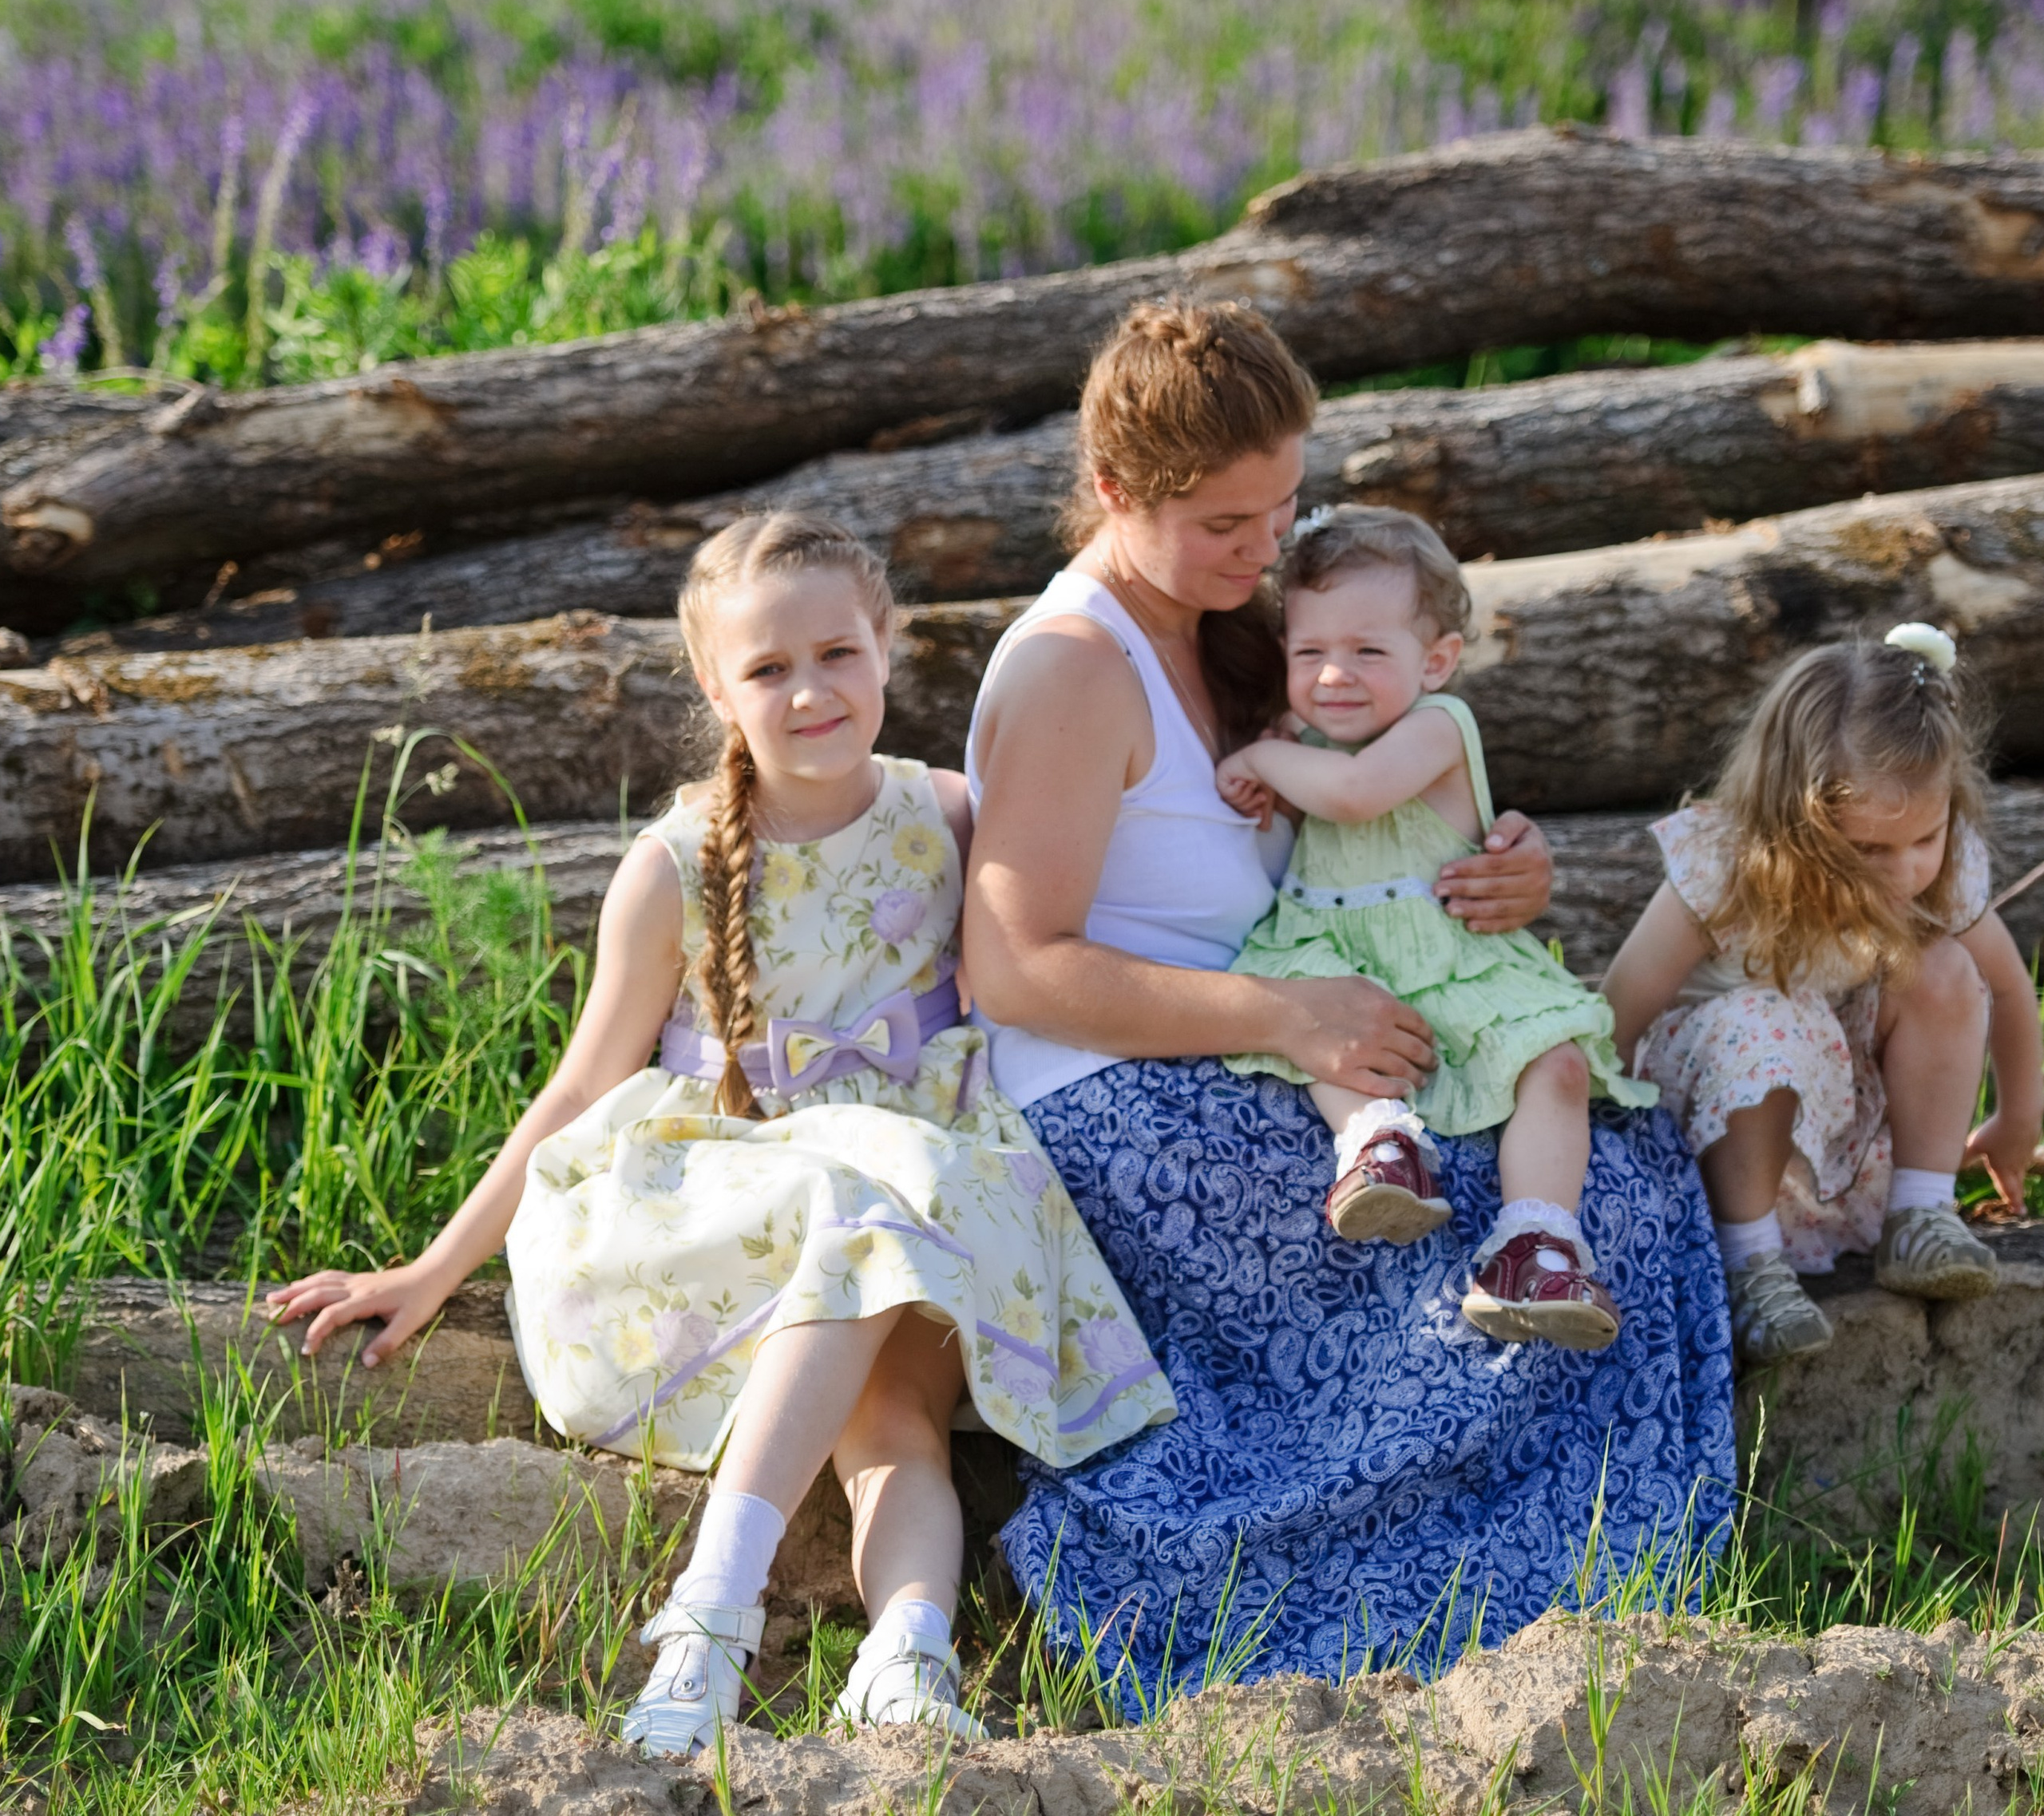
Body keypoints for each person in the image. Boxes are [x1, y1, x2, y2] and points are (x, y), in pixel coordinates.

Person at [267, 512, 1172, 1753]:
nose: (810, 691)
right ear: (714, 683)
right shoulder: (677, 863)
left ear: (886, 643)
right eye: (768, 668)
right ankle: (707, 1621)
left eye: (836, 654)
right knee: (859, 1199)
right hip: (730, 1191)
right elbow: (583, 1083)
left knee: (896, 1421)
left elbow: (1114, 905)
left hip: (919, 1190)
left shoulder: (949, 814)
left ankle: (908, 1661)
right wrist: (433, 1270)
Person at [963, 298, 1733, 1695]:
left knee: (1602, 1166)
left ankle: (1545, 1588)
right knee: (1529, 1220)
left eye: (1282, 510)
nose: (1266, 553)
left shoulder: (1228, 622)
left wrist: (1498, 862)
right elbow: (1015, 968)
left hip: (1283, 1035)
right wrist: (1284, 1017)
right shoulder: (1074, 668)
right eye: (1225, 525)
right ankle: (1383, 1605)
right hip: (1121, 1094)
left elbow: (1365, 812)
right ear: (1114, 493)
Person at [1218, 504, 1657, 1350]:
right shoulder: (1303, 739)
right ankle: (1378, 1146)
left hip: (1449, 956)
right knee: (1326, 1033)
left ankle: (1536, 1243)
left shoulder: (1436, 726)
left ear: (1438, 660)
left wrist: (1261, 760)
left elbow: (1354, 794)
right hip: (1335, 952)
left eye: (1368, 651)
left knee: (1556, 1065)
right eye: (1309, 652)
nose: (1334, 675)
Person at [1602, 623, 2042, 1367]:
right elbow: (1617, 1013)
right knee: (1765, 1018)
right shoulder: (1723, 866)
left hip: (1838, 1137)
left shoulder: (1940, 869)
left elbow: (2003, 984)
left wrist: (2019, 1117)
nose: (1905, 871)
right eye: (1869, 848)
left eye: (1924, 839)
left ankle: (1920, 1214)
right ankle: (1749, 1265)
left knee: (1943, 967)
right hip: (1720, 1133)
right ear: (1795, 821)